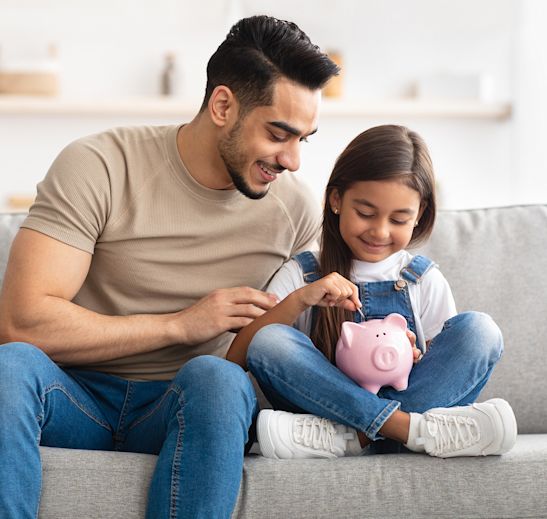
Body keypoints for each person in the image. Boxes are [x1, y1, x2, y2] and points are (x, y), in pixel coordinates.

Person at [0, 16, 340, 519]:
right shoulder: (101, 165)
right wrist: (181, 325)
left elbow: (315, 328)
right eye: (278, 134)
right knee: (8, 369)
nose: (292, 160)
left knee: (220, 380)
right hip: (73, 395)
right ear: (223, 105)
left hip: (187, 405)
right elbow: (20, 324)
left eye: (303, 140)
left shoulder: (294, 208)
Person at [227, 124, 518, 460]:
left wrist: (417, 356)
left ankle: (353, 437)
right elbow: (240, 358)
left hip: (329, 426)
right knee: (269, 340)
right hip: (321, 407)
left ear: (419, 213)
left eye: (398, 219)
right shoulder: (304, 272)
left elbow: (444, 371)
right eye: (365, 213)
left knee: (480, 331)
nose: (380, 231)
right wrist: (301, 299)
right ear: (336, 200)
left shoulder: (423, 279)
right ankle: (410, 431)